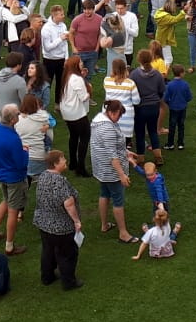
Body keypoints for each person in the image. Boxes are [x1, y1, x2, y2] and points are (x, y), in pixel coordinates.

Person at [33, 149, 85, 289]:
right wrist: (76, 221)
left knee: (48, 251)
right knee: (67, 254)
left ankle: (47, 277)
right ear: (56, 164)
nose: (66, 161)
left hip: (43, 223)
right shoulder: (60, 181)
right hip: (61, 226)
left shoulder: (42, 176)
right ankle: (68, 282)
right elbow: (68, 204)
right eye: (63, 159)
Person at [90, 98, 140, 243]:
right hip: (111, 171)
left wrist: (126, 153)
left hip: (101, 168)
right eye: (119, 115)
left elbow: (112, 147)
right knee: (118, 201)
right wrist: (122, 175)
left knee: (104, 194)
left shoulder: (98, 122)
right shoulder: (108, 129)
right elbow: (112, 155)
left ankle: (104, 225)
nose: (119, 118)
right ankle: (123, 233)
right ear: (113, 112)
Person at [0, 104, 30, 255]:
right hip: (14, 178)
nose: (19, 115)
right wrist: (25, 152)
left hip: (0, 174)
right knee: (13, 210)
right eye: (17, 114)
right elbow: (20, 163)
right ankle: (9, 246)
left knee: (5, 201)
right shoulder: (13, 138)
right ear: (12, 120)